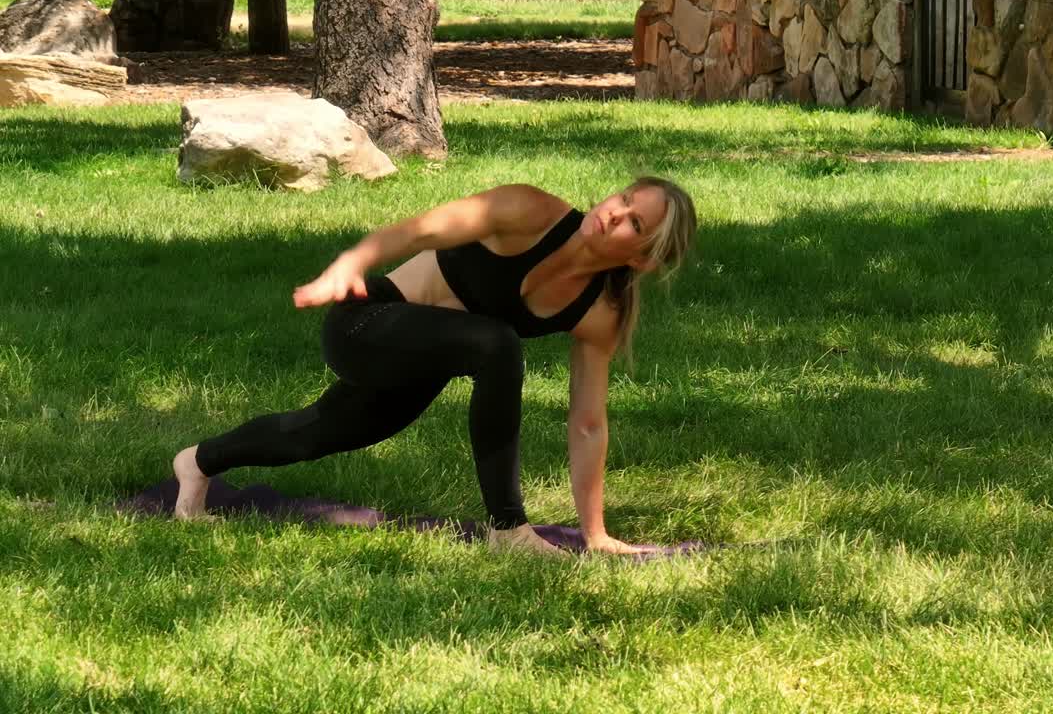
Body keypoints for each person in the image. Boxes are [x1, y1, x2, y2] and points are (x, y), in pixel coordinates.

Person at [170, 177, 697, 556]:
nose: (613, 213)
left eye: (634, 222)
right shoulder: (529, 211)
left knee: (315, 434)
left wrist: (596, 533)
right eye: (624, 199)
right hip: (367, 323)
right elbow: (424, 229)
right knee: (497, 342)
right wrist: (352, 262)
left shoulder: (599, 313)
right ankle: (507, 529)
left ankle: (197, 463)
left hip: (425, 362)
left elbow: (588, 423)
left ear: (643, 259)